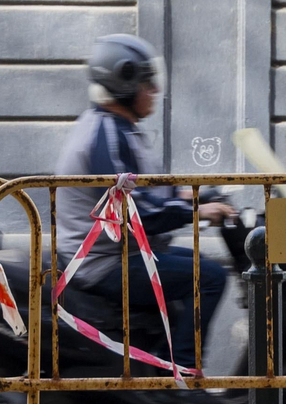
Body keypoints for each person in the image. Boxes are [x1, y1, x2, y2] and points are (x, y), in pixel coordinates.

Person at [53, 34, 233, 371]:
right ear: (124, 83)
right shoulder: (104, 135)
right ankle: (182, 374)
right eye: (147, 83)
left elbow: (149, 194)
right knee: (208, 277)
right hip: (102, 264)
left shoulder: (118, 129)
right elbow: (139, 213)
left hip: (123, 253)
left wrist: (202, 196)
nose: (154, 91)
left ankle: (163, 361)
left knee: (197, 263)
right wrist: (197, 209)